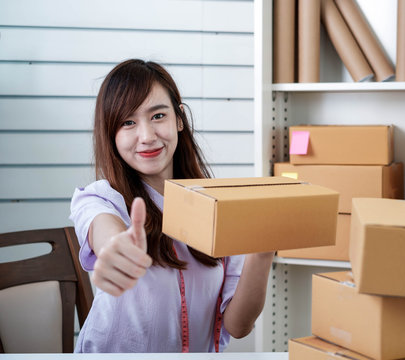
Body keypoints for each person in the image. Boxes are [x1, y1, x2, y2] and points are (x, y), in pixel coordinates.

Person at [70, 59, 274, 353]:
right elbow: (104, 231)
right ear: (111, 135)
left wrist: (263, 253)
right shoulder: (100, 199)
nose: (147, 136)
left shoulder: (220, 207)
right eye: (128, 122)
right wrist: (119, 248)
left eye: (158, 116)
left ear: (179, 119)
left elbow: (238, 326)